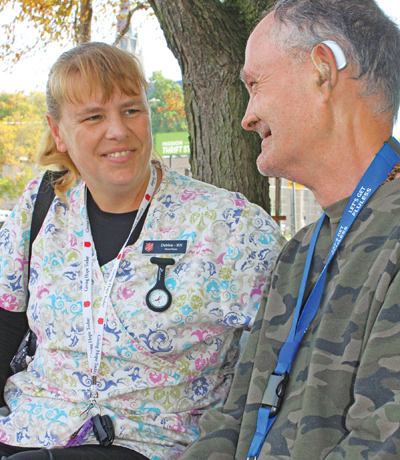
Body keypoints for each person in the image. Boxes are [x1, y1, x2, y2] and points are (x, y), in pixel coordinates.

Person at [0, 43, 285, 460]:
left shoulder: (228, 225)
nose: (118, 130)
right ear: (58, 131)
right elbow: (6, 325)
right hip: (30, 430)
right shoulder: (43, 206)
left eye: (131, 110)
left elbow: (292, 350)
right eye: (94, 116)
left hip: (152, 443)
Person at [179, 0, 400, 459]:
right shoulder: (299, 251)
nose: (246, 116)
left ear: (322, 70)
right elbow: (234, 417)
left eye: (255, 85)